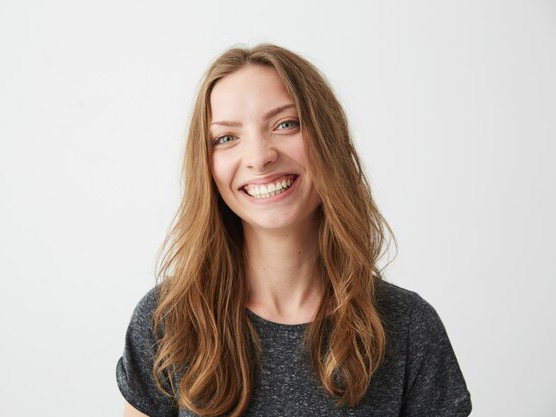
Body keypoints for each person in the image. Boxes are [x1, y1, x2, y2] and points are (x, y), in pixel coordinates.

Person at [116, 44, 472, 417]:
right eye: (226, 137)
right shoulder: (167, 322)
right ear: (208, 167)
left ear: (328, 139)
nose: (258, 157)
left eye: (285, 124)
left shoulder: (409, 327)